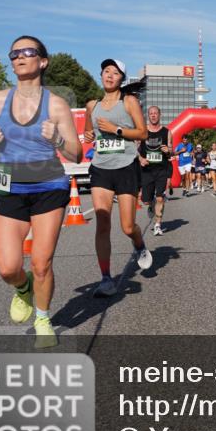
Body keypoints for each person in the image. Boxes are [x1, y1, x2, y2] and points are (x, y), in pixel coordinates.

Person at [0, 35, 82, 348]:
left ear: (43, 61)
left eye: (28, 52)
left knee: (40, 263)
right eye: (14, 53)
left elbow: (76, 154)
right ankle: (22, 289)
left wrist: (58, 141)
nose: (19, 57)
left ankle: (42, 317)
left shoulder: (57, 104)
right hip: (10, 184)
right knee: (9, 267)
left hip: (49, 185)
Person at [85, 59, 153, 297]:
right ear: (101, 75)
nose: (110, 76)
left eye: (115, 73)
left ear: (122, 79)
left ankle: (139, 245)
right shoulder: (92, 105)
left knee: (127, 226)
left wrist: (117, 130)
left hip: (126, 166)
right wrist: (87, 136)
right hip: (101, 167)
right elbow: (88, 133)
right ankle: (105, 278)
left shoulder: (129, 101)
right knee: (102, 223)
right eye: (106, 71)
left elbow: (143, 133)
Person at [137, 105, 172, 235]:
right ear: (148, 115)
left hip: (161, 170)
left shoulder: (167, 132)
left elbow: (171, 151)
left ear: (159, 115)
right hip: (146, 170)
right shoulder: (142, 131)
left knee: (159, 198)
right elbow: (134, 149)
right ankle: (151, 205)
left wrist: (168, 151)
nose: (153, 115)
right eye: (151, 113)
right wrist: (140, 159)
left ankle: (158, 224)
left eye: (155, 113)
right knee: (146, 200)